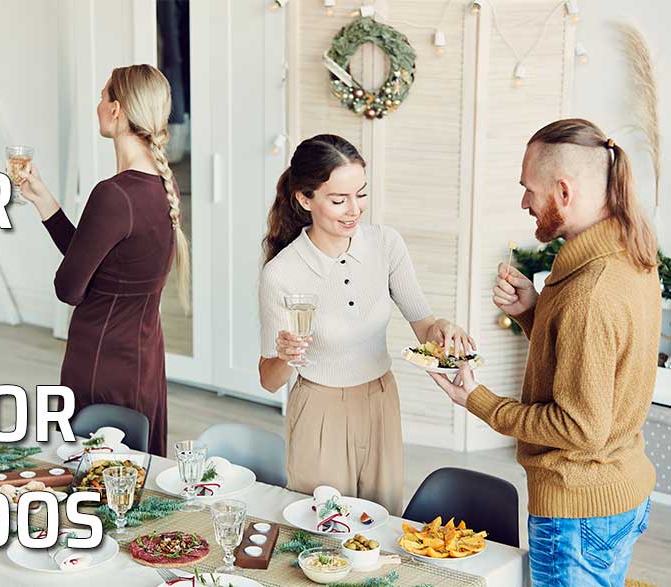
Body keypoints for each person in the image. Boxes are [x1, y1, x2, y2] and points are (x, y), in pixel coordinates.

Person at [430, 119, 659, 587]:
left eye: (528, 189)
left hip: (578, 513)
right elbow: (598, 365)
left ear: (564, 191)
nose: (524, 203)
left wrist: (478, 400)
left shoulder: (590, 291)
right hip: (620, 491)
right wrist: (534, 313)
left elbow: (581, 427)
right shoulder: (628, 253)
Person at [257, 134, 474, 515]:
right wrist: (285, 355)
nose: (354, 210)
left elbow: (424, 325)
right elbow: (269, 380)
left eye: (361, 194)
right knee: (320, 526)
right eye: (339, 200)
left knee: (381, 521)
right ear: (305, 200)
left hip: (380, 401)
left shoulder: (386, 244)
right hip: (319, 408)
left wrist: (444, 328)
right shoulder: (282, 273)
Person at [15, 64, 190, 457]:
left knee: (91, 474)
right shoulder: (164, 185)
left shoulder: (114, 194)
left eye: (102, 96)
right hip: (143, 357)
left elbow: (69, 288)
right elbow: (106, 263)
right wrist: (44, 200)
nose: (97, 105)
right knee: (133, 475)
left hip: (99, 358)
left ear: (116, 110)